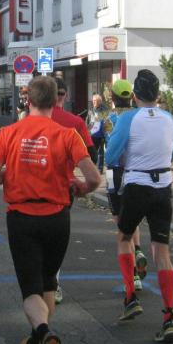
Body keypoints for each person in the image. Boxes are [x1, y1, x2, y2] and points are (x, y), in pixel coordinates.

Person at [0, 76, 100, 344]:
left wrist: (12, 170)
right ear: (57, 101)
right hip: (57, 218)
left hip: (22, 218)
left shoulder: (8, 133)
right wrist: (81, 188)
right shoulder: (68, 134)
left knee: (30, 291)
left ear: (28, 100)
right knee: (48, 281)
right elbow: (94, 178)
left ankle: (44, 333)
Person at [105, 70, 173, 344]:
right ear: (158, 95)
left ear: (135, 96)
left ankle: (130, 297)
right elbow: (172, 150)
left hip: (137, 185)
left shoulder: (128, 119)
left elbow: (111, 156)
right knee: (162, 251)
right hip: (164, 188)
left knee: (124, 237)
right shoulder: (169, 118)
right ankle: (169, 317)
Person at [50, 77, 96, 304]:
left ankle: (38, 284)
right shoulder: (75, 123)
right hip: (64, 187)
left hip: (29, 190)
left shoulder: (26, 121)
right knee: (55, 239)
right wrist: (83, 185)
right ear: (64, 96)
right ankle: (54, 283)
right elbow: (90, 154)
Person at [104, 79, 146, 293]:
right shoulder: (139, 117)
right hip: (135, 170)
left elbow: (96, 138)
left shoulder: (108, 118)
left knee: (121, 224)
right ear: (131, 96)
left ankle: (134, 276)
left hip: (114, 172)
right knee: (132, 217)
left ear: (112, 97)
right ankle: (138, 249)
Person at [87, 94, 110, 174]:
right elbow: (88, 121)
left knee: (100, 153)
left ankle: (100, 169)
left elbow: (107, 122)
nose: (93, 102)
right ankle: (92, 168)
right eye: (93, 101)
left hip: (101, 135)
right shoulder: (91, 110)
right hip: (92, 135)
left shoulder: (105, 110)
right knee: (92, 153)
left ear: (100, 101)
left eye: (95, 101)